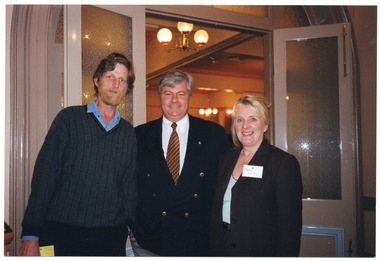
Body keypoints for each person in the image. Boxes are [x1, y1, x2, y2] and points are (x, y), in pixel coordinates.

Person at [18, 53, 137, 256]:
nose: (116, 84)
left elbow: (129, 187)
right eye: (110, 76)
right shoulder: (68, 120)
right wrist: (31, 235)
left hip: (109, 239)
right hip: (60, 235)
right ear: (97, 80)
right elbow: (44, 178)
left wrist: (127, 227)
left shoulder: (129, 133)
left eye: (122, 79)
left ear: (127, 88)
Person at [131, 70, 230, 256]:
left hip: (198, 241)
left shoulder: (213, 134)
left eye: (181, 94)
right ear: (160, 96)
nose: (174, 100)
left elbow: (223, 187)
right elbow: (129, 185)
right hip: (150, 240)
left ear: (189, 96)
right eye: (168, 93)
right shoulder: (139, 135)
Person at [209, 95, 303, 257]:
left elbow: (289, 228)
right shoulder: (226, 159)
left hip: (259, 250)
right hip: (222, 247)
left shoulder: (282, 163)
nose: (245, 126)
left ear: (265, 125)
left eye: (253, 119)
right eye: (239, 120)